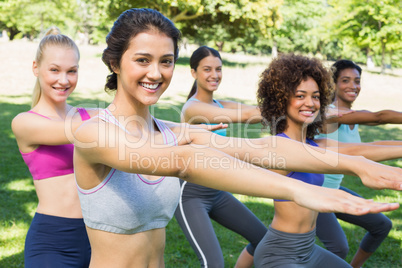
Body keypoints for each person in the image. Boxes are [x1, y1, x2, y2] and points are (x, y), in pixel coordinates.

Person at [72, 8, 402, 267]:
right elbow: (186, 162)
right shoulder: (93, 133)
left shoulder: (172, 132)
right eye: (142, 60)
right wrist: (300, 190)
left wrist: (356, 163)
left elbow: (261, 147)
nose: (156, 73)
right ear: (115, 62)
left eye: (166, 61)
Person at [253, 53, 402, 267]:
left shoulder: (316, 143)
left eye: (315, 96)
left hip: (308, 250)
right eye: (300, 95)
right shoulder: (280, 146)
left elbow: (367, 149)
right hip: (280, 254)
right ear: (281, 99)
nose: (310, 103)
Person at [11, 27, 96, 267]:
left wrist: (186, 129)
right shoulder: (25, 122)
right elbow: (80, 131)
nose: (64, 80)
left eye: (72, 71)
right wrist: (111, 118)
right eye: (54, 70)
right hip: (52, 241)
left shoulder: (86, 115)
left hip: (99, 237)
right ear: (36, 68)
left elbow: (132, 121)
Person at [175, 46, 265, 268]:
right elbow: (245, 116)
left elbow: (254, 110)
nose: (214, 75)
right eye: (207, 69)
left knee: (263, 240)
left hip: (216, 191)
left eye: (218, 69)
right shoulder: (193, 108)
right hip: (191, 195)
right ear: (193, 72)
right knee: (213, 263)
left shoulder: (218, 103)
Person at [315, 59, 402, 268]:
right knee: (338, 248)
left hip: (334, 190)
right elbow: (379, 117)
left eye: (357, 81)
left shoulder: (355, 118)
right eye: (345, 80)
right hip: (314, 191)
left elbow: (373, 146)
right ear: (333, 84)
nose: (353, 86)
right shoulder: (328, 114)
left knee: (381, 225)